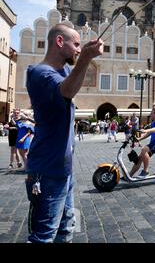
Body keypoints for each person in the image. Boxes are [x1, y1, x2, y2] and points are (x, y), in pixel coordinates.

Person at [25, 23, 103, 243]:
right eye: (75, 44)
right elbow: (67, 90)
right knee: (43, 237)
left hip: (63, 169)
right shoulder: (40, 73)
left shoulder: (63, 71)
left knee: (66, 229)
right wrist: (86, 58)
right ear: (59, 42)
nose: (78, 49)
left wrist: (85, 54)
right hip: (47, 171)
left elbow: (72, 81)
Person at [129, 108, 155, 178]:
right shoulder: (153, 123)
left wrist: (146, 130)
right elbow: (149, 133)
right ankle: (129, 176)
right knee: (139, 159)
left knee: (144, 149)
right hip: (153, 144)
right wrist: (139, 138)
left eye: (152, 113)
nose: (150, 114)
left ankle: (146, 171)